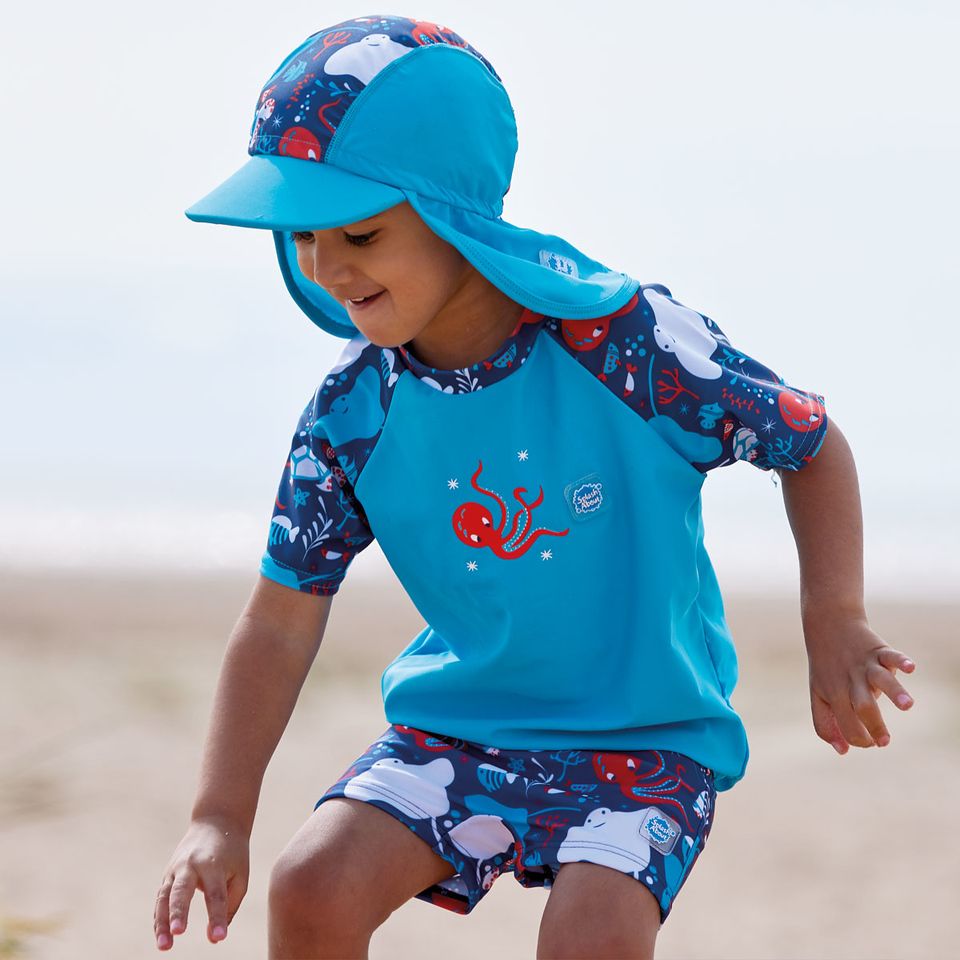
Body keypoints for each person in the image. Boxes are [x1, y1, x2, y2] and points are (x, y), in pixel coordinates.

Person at [153, 14, 917, 959]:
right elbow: (277, 620)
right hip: (460, 731)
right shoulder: (356, 409)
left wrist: (833, 615)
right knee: (311, 884)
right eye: (304, 231)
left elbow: (808, 440)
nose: (326, 265)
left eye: (359, 229)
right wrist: (219, 813)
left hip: (646, 735)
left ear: (451, 218)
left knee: (592, 932)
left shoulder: (626, 345)